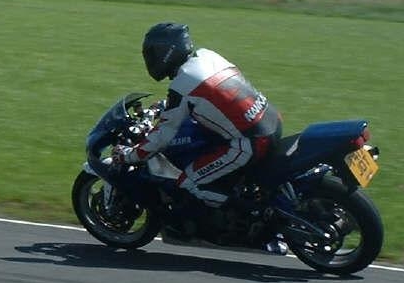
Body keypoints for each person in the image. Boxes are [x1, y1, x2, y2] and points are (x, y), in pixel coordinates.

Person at [115, 22, 282, 212]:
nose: (151, 59)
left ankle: (255, 214)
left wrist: (130, 156)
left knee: (188, 183)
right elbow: (216, 97)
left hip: (251, 143)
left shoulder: (183, 82)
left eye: (153, 53)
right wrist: (165, 106)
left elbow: (163, 136)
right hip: (270, 119)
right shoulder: (207, 56)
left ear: (166, 52)